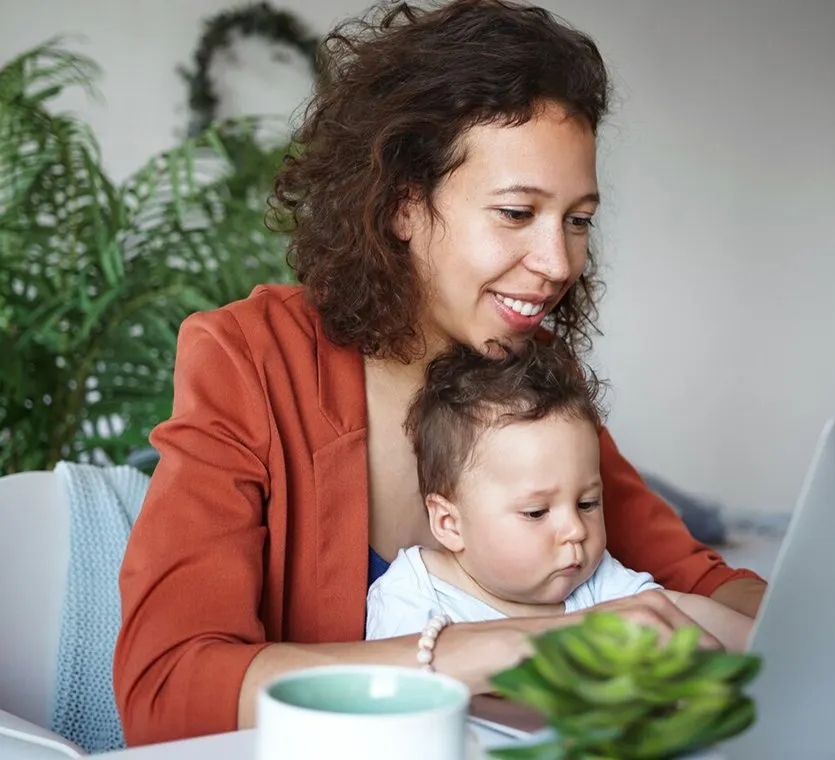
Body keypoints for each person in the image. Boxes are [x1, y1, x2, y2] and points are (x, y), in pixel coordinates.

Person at [112, 0, 766, 747]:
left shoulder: (530, 373)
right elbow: (166, 693)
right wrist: (512, 646)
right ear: (402, 206)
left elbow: (700, 582)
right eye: (516, 212)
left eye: (577, 219)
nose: (558, 263)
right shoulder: (251, 358)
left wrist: (805, 628)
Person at [365, 339, 753, 651]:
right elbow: (403, 692)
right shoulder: (413, 595)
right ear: (450, 523)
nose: (576, 530)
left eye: (587, 504)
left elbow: (678, 612)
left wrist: (760, 643)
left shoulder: (595, 582)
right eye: (536, 512)